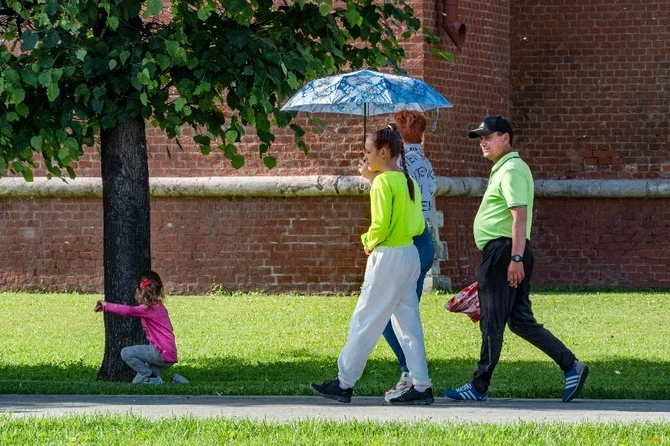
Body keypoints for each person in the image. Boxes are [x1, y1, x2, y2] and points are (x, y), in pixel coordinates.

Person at [443, 115, 589, 403]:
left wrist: (516, 258)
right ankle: (571, 366)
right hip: (505, 252)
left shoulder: (510, 170)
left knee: (492, 322)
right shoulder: (505, 169)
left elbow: (519, 217)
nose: (483, 142)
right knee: (520, 321)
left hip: (504, 253)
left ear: (505, 138)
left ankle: (479, 386)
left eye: (488, 137)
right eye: (480, 138)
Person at [311, 126, 434, 405]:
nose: (364, 156)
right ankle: (421, 385)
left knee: (365, 318)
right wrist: (372, 180)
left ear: (383, 152)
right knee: (408, 324)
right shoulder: (408, 181)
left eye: (367, 151)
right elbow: (417, 225)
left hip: (387, 256)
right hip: (409, 255)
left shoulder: (382, 184)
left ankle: (344, 382)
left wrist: (367, 240)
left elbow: (379, 225)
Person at [359, 110, 436, 401]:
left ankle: (409, 374)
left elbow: (391, 208)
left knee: (391, 315)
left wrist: (370, 178)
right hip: (423, 239)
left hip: (404, 243)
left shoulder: (397, 167)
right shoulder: (424, 163)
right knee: (404, 315)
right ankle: (414, 377)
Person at [94, 270, 181, 384]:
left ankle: (152, 377)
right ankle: (175, 381)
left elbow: (129, 311)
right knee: (138, 383)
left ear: (139, 291)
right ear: (160, 289)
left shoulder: (148, 309)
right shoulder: (159, 308)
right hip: (169, 355)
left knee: (126, 353)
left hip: (160, 353)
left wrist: (107, 306)